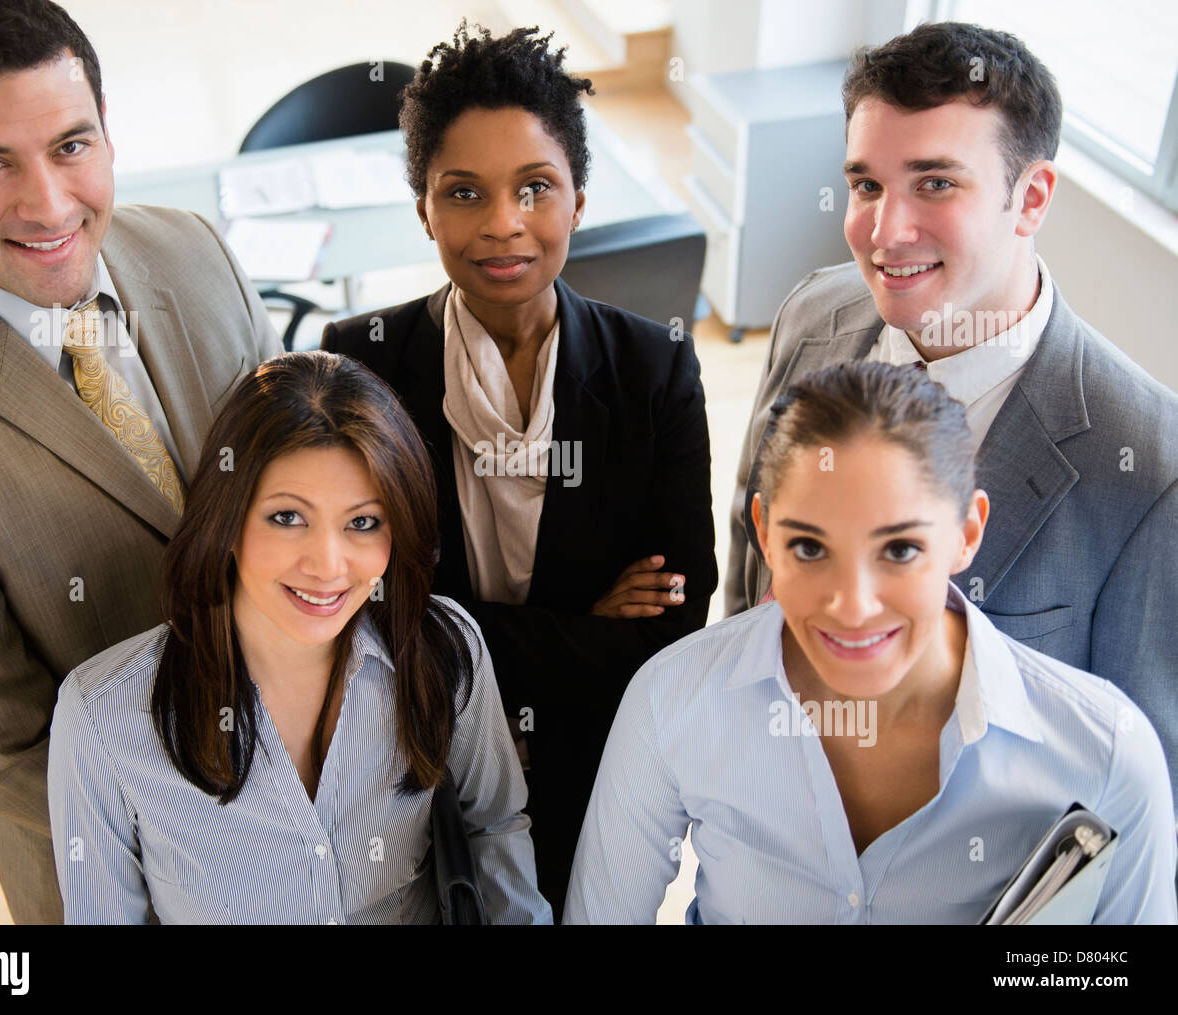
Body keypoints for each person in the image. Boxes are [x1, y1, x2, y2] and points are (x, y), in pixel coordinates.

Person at [0, 0, 282, 923]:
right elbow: (1, 742)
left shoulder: (196, 251)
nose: (50, 206)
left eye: (71, 146)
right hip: (129, 877)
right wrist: (234, 828)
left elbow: (309, 481)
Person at [319, 21, 718, 916]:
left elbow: (672, 631)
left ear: (578, 198)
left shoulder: (654, 370)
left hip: (592, 768)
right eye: (465, 192)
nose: (504, 224)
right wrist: (581, 624)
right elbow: (364, 617)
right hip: (406, 761)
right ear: (424, 206)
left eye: (535, 187)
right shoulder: (362, 363)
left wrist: (454, 627)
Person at [724, 21, 1178, 801]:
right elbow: (748, 557)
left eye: (935, 183)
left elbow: (1144, 791)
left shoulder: (1149, 464)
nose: (885, 232)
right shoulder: (811, 314)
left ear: (1030, 198)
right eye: (867, 184)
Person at [567, 361, 1177, 924]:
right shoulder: (670, 698)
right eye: (810, 548)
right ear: (765, 535)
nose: (853, 607)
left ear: (967, 534)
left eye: (900, 550)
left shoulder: (1108, 755)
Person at [48, 351, 550, 924]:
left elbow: (492, 827)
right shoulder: (102, 715)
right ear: (227, 521)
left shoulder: (445, 646)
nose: (328, 566)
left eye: (363, 522)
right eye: (287, 517)